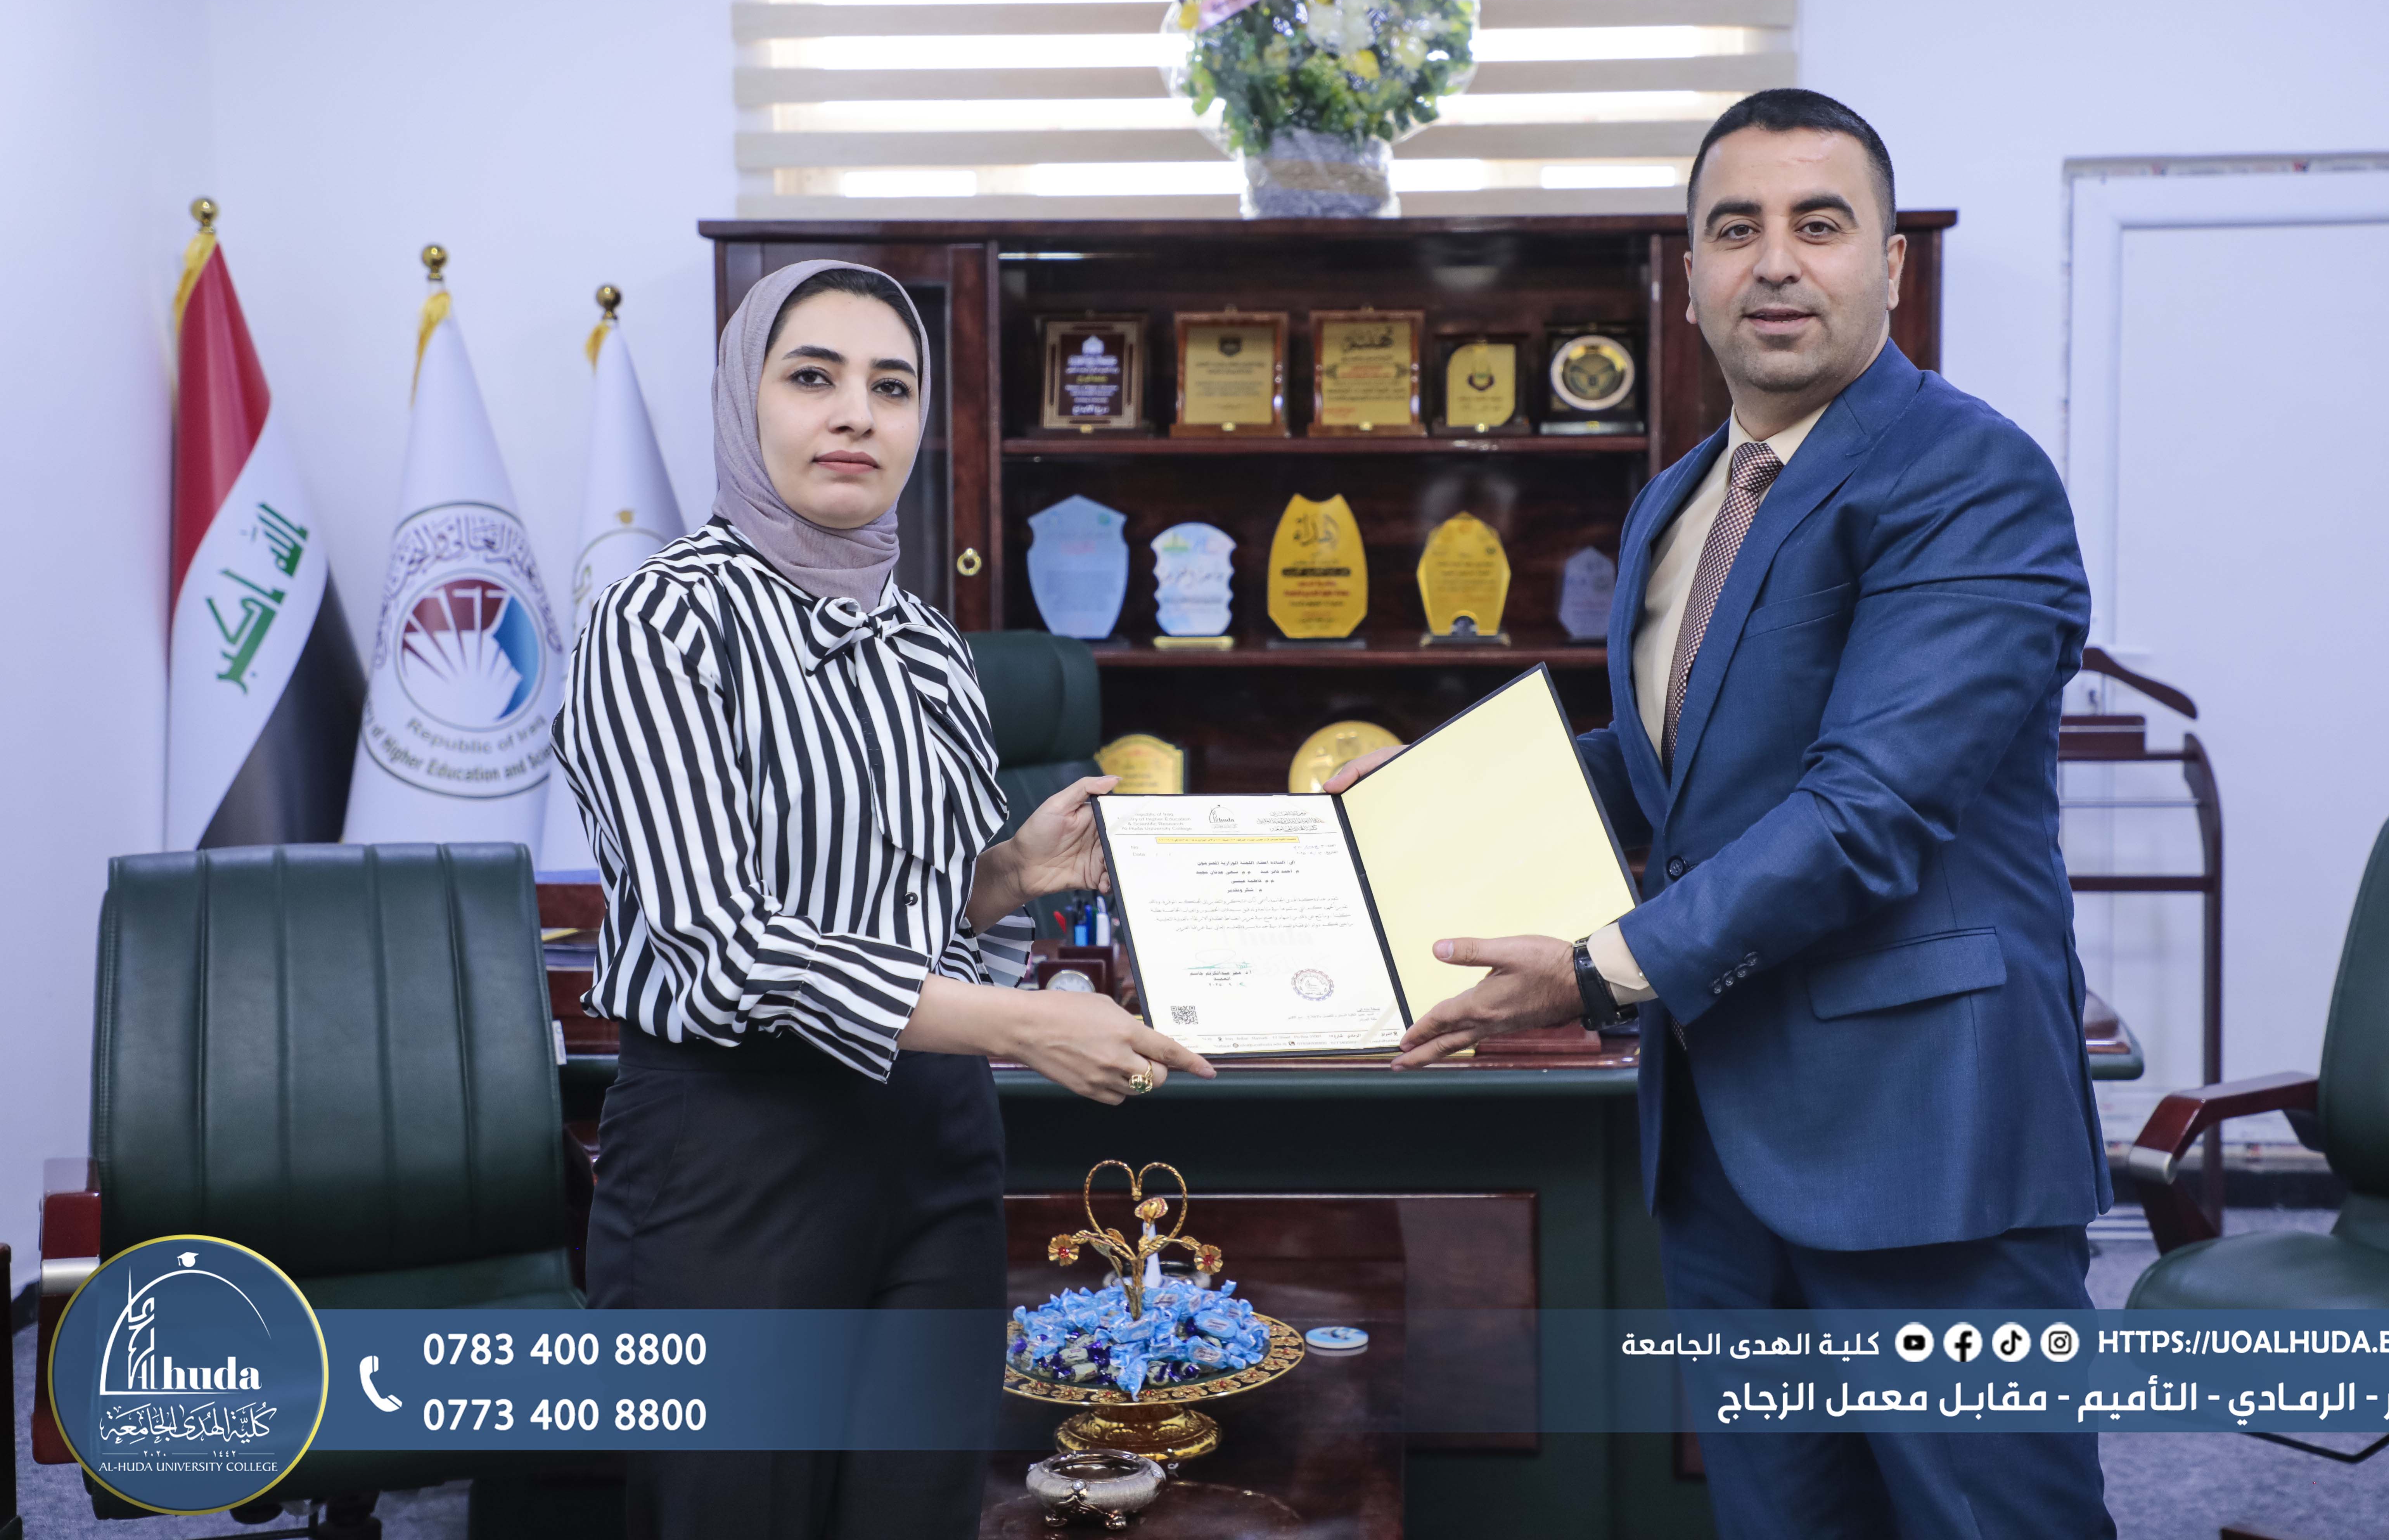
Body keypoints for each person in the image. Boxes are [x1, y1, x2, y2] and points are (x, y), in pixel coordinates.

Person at [1327, 90, 2115, 1537]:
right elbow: (1666, 771)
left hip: (1928, 1138)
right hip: (1723, 1140)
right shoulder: (1684, 500)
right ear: (1690, 274)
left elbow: (1870, 809)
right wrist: (1415, 806)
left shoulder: (1971, 477)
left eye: (1821, 225)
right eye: (1736, 229)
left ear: (1890, 263)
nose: (1777, 262)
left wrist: (1594, 973)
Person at [554, 259, 1214, 1539]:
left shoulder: (929, 645)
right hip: (732, 1152)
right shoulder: (658, 621)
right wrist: (1023, 1027)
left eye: (893, 387)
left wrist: (1011, 873)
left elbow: (915, 912)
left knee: (917, 1510)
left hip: (935, 1144)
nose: (856, 413)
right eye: (814, 378)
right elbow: (729, 946)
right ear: (743, 401)